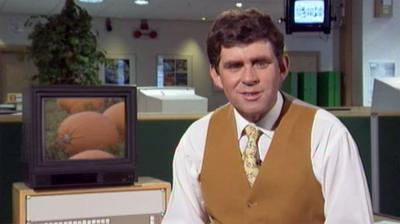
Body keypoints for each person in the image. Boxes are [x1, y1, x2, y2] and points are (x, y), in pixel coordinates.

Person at [162, 8, 373, 224]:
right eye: (234, 66)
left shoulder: (326, 134)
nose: (249, 78)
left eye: (260, 63)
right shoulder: (196, 139)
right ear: (216, 76)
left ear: (282, 67)